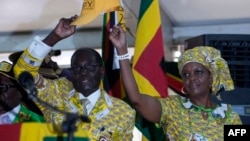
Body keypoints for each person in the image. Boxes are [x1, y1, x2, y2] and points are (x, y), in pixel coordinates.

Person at [109, 25, 242, 141]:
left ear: (211, 77)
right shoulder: (172, 108)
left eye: (199, 72)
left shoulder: (230, 117)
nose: (192, 78)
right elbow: (136, 99)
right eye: (186, 74)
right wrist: (122, 51)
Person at [13, 16, 136, 141]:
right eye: (77, 68)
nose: (83, 72)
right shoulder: (56, 94)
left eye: (90, 67)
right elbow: (22, 71)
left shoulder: (123, 112)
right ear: (72, 72)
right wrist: (54, 37)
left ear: (101, 71)